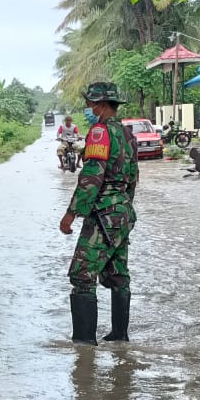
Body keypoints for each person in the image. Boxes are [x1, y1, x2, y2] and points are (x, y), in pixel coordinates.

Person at [58, 82, 140, 345]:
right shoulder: (128, 135)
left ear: (102, 106)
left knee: (81, 275)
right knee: (118, 274)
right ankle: (119, 337)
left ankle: (84, 348)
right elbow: (133, 179)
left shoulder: (99, 132)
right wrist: (123, 209)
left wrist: (71, 213)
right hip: (123, 212)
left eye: (91, 105)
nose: (89, 109)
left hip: (103, 214)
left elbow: (92, 176)